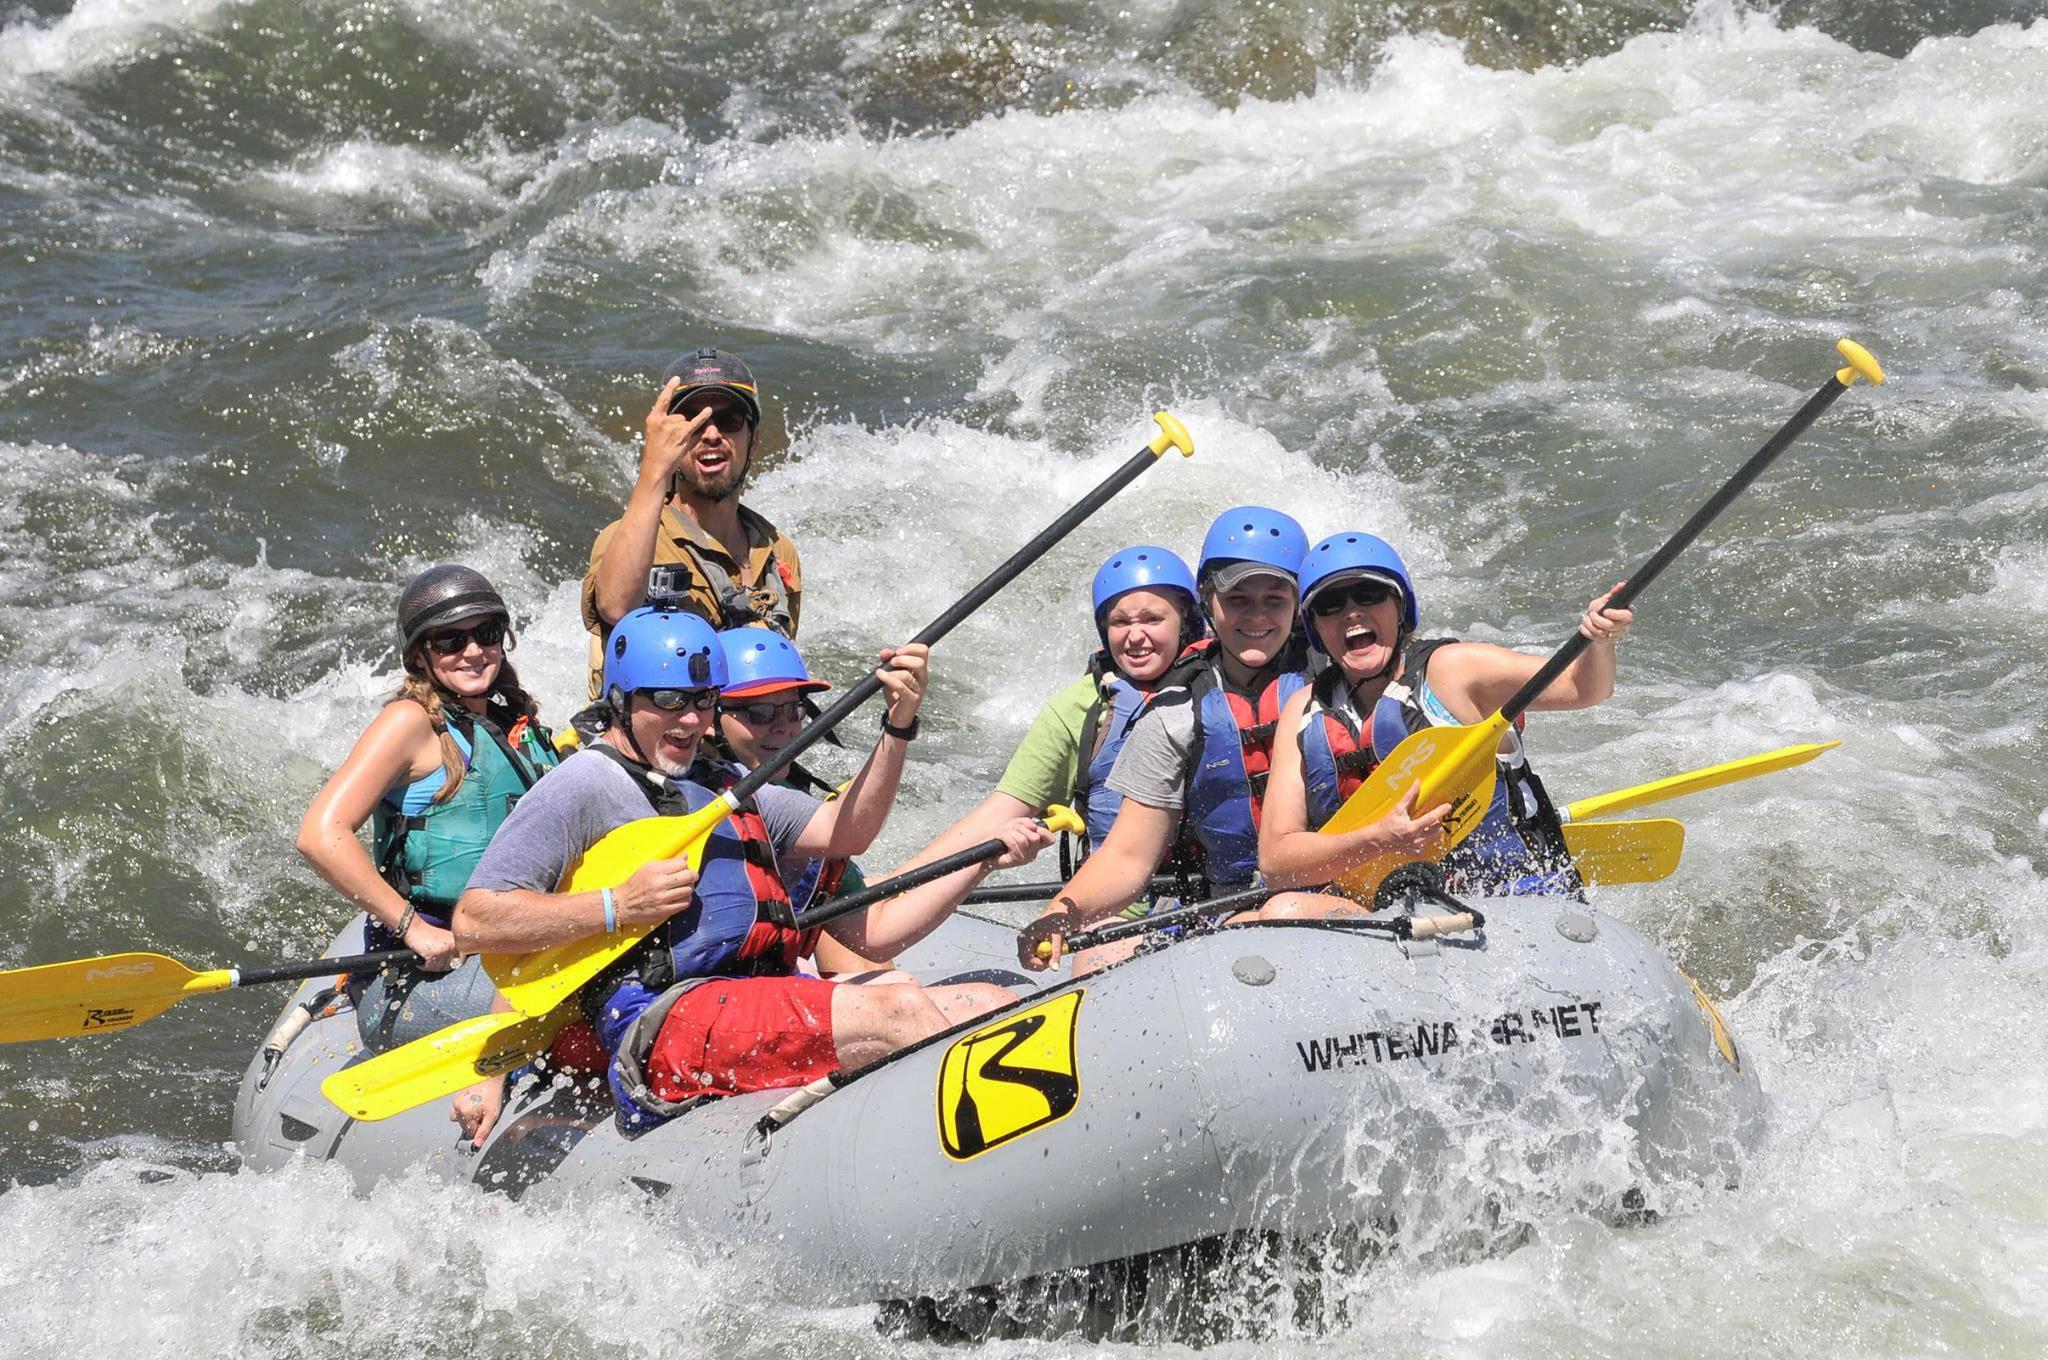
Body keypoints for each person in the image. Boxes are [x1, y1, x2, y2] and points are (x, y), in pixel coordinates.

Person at [449, 608, 1049, 1144]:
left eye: (703, 702)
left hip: (749, 998)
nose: (689, 719)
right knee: (903, 1011)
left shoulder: (723, 783)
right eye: (668, 701)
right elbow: (476, 920)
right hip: (661, 1023)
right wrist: (615, 906)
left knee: (988, 1003)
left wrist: (898, 725)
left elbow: (846, 832)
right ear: (622, 701)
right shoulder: (586, 784)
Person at [1257, 532, 1633, 914]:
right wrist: (1378, 840)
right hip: (1382, 915)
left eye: (1369, 595)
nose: (1352, 612)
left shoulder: (1452, 670)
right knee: (1281, 909)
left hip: (1512, 899)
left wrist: (1600, 640)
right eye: (1331, 604)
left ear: (1400, 608)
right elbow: (1276, 863)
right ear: (1317, 628)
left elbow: (1583, 687)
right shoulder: (1304, 711)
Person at [1018, 508, 1319, 972]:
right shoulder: (1176, 711)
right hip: (1225, 912)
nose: (1256, 615)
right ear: (1208, 601)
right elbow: (1127, 854)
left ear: (1299, 603)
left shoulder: (1343, 684)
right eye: (1238, 599)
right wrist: (1065, 910)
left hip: (1331, 903)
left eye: (1275, 599)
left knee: (1288, 912)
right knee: (1096, 958)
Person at [296, 566, 559, 1051]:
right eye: (450, 642)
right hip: (422, 975)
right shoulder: (409, 723)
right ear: (420, 654)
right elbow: (320, 833)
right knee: (567, 1006)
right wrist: (413, 929)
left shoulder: (510, 719)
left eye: (486, 633)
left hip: (512, 941)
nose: (474, 651)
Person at [906, 544, 1203, 888]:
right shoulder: (1080, 708)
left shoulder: (1220, 687)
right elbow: (999, 813)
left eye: (1153, 619)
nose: (1135, 636)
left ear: (1186, 623)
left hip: (1217, 898)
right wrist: (900, 881)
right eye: (1120, 622)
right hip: (1114, 906)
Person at [579, 347, 802, 698]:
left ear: (754, 439)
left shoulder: (777, 551)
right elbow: (616, 607)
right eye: (692, 420)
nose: (711, 434)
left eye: (729, 421)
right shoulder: (638, 538)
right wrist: (654, 467)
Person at [709, 628, 885, 975]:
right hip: (714, 990)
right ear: (708, 719)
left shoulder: (790, 798)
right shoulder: (689, 796)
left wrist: (899, 725)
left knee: (884, 966)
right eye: (759, 713)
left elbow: (877, 933)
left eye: (793, 710)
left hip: (767, 975)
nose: (784, 727)